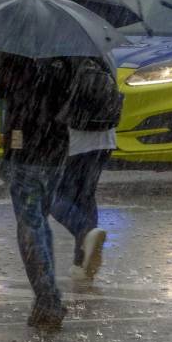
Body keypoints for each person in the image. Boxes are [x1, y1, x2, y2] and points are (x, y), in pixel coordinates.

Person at [0, 53, 73, 330]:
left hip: (26, 149)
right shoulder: (68, 51)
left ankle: (48, 300)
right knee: (39, 222)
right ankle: (45, 300)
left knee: (30, 226)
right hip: (56, 151)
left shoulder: (16, 51)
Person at [50, 56, 121, 281]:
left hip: (74, 138)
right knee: (86, 196)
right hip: (105, 137)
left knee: (50, 195)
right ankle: (81, 262)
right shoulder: (103, 53)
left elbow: (51, 99)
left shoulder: (60, 57)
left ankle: (84, 234)